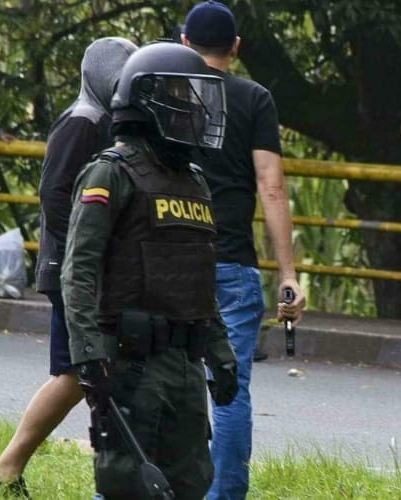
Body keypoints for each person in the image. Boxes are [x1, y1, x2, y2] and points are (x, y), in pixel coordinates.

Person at [62, 42, 239, 500]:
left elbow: (201, 276)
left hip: (184, 362)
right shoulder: (111, 174)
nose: (197, 112)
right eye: (184, 100)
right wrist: (87, 351)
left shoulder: (194, 181)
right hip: (131, 362)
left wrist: (219, 351)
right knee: (129, 483)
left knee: (190, 483)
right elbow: (78, 269)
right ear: (148, 104)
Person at [0, 37, 137, 496]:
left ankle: (11, 470)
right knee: (77, 370)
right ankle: (4, 470)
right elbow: (54, 194)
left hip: (86, 266)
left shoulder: (108, 121)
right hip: (70, 265)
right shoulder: (83, 121)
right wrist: (84, 252)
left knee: (85, 370)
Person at [179, 2, 306, 498]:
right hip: (231, 260)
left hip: (169, 259)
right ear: (236, 47)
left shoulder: (167, 93)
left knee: (165, 381)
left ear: (185, 43)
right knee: (229, 388)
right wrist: (288, 275)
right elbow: (271, 187)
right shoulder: (255, 98)